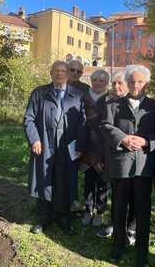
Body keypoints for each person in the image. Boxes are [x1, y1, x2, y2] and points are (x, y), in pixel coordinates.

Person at [100, 65, 155, 267]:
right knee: (119, 207)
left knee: (142, 209)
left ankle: (142, 251)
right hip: (120, 165)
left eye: (139, 81)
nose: (135, 85)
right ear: (127, 82)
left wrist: (146, 141)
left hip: (144, 167)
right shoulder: (113, 104)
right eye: (131, 81)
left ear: (146, 83)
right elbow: (104, 126)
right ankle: (118, 244)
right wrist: (122, 139)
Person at [24, 60, 86, 236]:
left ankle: (63, 217)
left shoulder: (78, 95)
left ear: (68, 75)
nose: (60, 74)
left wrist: (80, 146)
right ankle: (44, 217)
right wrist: (34, 139)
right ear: (50, 73)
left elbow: (83, 123)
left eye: (63, 71)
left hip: (67, 147)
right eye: (56, 71)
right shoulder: (39, 93)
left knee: (64, 180)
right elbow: (28, 118)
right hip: (44, 145)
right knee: (44, 179)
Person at [96, 70, 136, 246]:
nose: (116, 86)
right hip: (112, 156)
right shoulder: (109, 103)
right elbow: (101, 133)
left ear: (128, 84)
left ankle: (132, 228)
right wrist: (99, 157)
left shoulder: (135, 104)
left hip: (133, 159)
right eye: (113, 83)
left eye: (120, 83)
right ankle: (115, 224)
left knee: (134, 195)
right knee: (117, 193)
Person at [80, 70, 110, 227]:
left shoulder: (111, 99)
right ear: (91, 81)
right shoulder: (83, 98)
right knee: (88, 181)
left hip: (104, 146)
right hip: (87, 144)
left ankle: (100, 212)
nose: (97, 83)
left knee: (102, 182)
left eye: (101, 80)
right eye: (95, 80)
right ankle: (88, 210)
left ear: (106, 83)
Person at [67, 59, 90, 213]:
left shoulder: (86, 89)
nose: (75, 73)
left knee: (72, 170)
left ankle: (71, 200)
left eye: (79, 71)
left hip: (77, 134)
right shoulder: (58, 83)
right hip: (57, 134)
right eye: (72, 69)